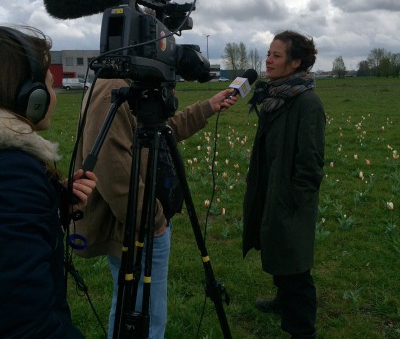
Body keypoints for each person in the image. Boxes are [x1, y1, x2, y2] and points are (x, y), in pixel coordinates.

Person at [71, 77, 238, 338]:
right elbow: (111, 167)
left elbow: (160, 130)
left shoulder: (131, 83)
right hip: (141, 225)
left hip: (146, 218)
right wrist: (153, 220)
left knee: (136, 305)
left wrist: (207, 107)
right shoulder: (112, 87)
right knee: (145, 313)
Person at [0, 26, 97, 338]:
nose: (54, 97)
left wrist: (54, 201)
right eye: (50, 86)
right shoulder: (13, 173)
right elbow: (26, 322)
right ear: (31, 97)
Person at [242, 30, 326, 339]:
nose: (268, 60)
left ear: (295, 62)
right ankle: (281, 300)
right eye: (268, 53)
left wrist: (292, 200)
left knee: (295, 262)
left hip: (289, 198)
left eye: (276, 55)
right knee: (276, 246)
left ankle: (302, 330)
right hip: (271, 188)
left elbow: (311, 163)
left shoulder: (307, 104)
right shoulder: (276, 96)